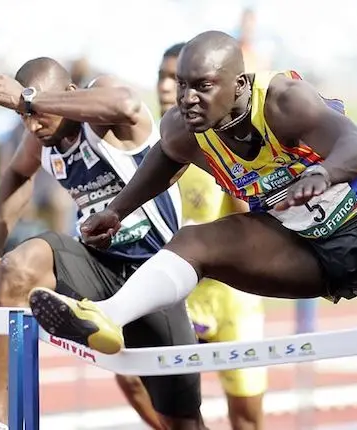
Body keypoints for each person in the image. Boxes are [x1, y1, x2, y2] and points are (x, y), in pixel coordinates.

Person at [28, 31, 357, 391]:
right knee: (196, 243)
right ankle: (105, 318)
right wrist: (118, 210)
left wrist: (323, 173)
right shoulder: (182, 127)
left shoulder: (285, 101)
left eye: (202, 87)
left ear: (238, 84)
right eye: (184, 85)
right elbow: (162, 163)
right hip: (293, 244)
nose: (188, 98)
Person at [0, 57, 206, 430]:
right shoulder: (40, 140)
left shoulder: (102, 117)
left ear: (68, 95)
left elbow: (125, 105)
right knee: (18, 267)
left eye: (36, 113)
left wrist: (30, 99)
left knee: (182, 421)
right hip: (97, 268)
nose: (32, 124)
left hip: (156, 273)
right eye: (23, 116)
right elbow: (16, 174)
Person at [112, 42, 267, 430]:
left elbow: (247, 222)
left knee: (247, 419)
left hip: (229, 294)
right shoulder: (141, 148)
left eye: (178, 79)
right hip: (173, 294)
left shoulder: (215, 143)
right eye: (166, 78)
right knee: (130, 375)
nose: (169, 88)